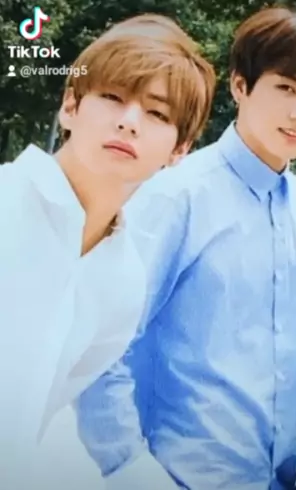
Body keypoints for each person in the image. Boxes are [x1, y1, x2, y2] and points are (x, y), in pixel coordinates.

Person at [74, 6, 296, 490]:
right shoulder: (177, 195)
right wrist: (131, 469)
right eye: (286, 88)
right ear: (241, 86)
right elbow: (100, 348)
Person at [0, 13, 215, 489]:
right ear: (70, 106)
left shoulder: (123, 281)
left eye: (157, 114)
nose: (129, 122)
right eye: (113, 97)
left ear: (179, 150)